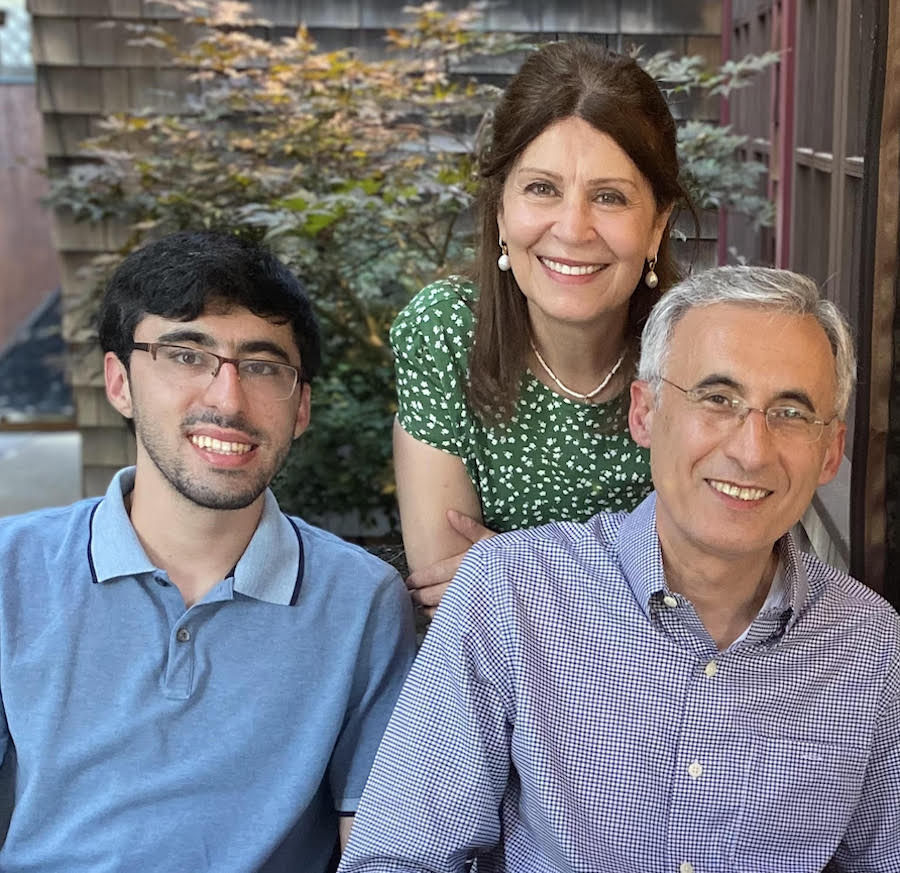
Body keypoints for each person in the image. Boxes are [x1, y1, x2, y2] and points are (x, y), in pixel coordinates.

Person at [339, 266, 900, 872]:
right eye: (717, 399)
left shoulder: (870, 645)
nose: (751, 450)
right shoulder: (511, 594)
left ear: (831, 451)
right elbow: (396, 858)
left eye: (790, 413)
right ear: (645, 414)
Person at [0, 232, 416, 873]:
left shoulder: (360, 600)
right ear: (120, 383)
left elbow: (375, 849)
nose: (227, 399)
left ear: (300, 406)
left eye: (262, 366)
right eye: (186, 356)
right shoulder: (12, 568)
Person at [393, 40, 693, 613]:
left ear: (657, 225)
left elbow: (701, 604)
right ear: (500, 210)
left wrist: (512, 573)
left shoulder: (696, 351)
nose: (573, 229)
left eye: (609, 197)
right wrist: (619, 588)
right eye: (542, 189)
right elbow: (447, 603)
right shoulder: (447, 332)